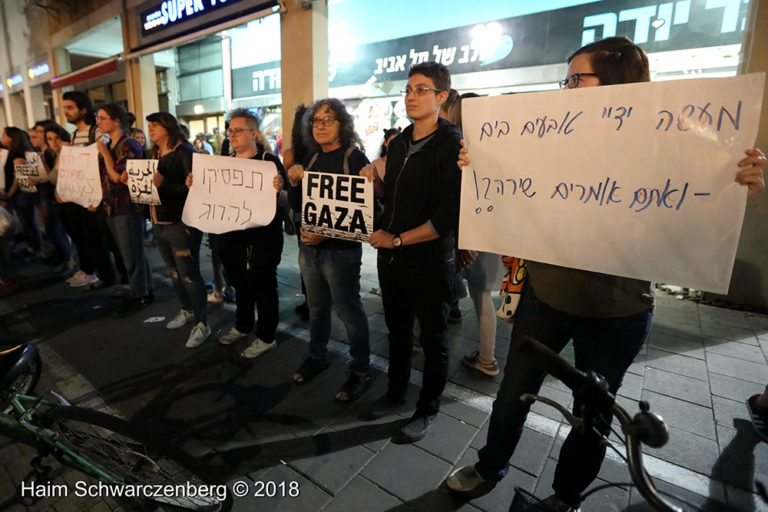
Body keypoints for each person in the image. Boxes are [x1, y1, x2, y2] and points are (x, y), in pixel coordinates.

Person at [445, 37, 767, 512]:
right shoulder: (546, 138)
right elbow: (511, 194)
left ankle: (567, 496)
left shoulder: (670, 145)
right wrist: (480, 166)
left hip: (618, 315)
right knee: (511, 396)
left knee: (592, 415)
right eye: (566, 79)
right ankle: (491, 464)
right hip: (543, 302)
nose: (567, 88)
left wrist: (736, 184)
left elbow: (692, 206)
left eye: (578, 79)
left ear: (619, 85)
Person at [360, 61, 463, 442]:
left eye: (421, 90)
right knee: (398, 330)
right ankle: (395, 392)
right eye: (407, 89)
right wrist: (376, 186)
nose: (411, 96)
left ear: (442, 97)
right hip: (392, 259)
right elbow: (396, 199)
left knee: (434, 338)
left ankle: (427, 409)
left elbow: (446, 218)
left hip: (430, 261)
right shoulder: (400, 141)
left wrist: (398, 240)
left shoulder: (451, 143)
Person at [286, 98, 372, 402]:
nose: (320, 125)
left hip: (340, 253)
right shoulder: (310, 160)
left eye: (328, 119)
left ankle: (361, 369)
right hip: (310, 252)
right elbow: (301, 208)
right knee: (317, 308)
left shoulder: (355, 158)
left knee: (348, 310)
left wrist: (322, 234)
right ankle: (317, 356)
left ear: (342, 125)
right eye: (316, 121)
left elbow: (363, 212)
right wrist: (293, 182)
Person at [188, 108, 285, 358]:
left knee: (264, 286)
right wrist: (196, 185)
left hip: (263, 240)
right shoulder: (223, 162)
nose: (232, 135)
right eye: (230, 130)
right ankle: (243, 325)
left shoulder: (268, 162)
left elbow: (286, 201)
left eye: (238, 130)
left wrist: (279, 190)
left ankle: (266, 336)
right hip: (230, 238)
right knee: (240, 284)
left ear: (254, 133)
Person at [439, 91, 504, 377]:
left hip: (475, 235)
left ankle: (487, 359)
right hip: (490, 231)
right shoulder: (494, 143)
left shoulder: (463, 146)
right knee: (481, 294)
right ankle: (486, 356)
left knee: (481, 296)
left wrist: (467, 241)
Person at [147, 112, 211, 348]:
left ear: (168, 127)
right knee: (173, 272)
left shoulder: (185, 153)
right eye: (149, 125)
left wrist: (164, 186)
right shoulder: (153, 153)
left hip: (181, 224)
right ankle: (186, 310)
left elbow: (194, 188)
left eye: (155, 125)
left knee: (189, 274)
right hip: (159, 222)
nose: (150, 129)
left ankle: (202, 322)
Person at [95, 103, 154, 315]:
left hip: (127, 207)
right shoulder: (111, 145)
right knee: (128, 252)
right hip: (111, 206)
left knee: (132, 254)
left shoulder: (129, 145)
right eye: (98, 118)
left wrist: (103, 153)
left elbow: (118, 177)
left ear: (116, 121)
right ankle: (145, 289)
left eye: (102, 118)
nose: (98, 122)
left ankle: (140, 295)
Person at [60, 90, 119, 290]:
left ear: (83, 109)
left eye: (70, 107)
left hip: (96, 196)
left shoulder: (96, 133)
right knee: (87, 237)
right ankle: (97, 273)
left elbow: (101, 162)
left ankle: (110, 276)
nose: (66, 111)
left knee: (102, 239)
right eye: (65, 107)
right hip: (80, 196)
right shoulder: (74, 135)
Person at [282, 104, 311, 319]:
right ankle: (312, 301)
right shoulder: (297, 153)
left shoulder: (302, 152)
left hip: (308, 213)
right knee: (308, 261)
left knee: (308, 261)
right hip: (305, 213)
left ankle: (312, 302)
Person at [0, 127, 43, 259]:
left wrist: (9, 194)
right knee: (26, 222)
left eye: (4, 135)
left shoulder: (18, 154)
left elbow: (18, 178)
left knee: (29, 222)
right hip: (20, 194)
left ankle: (37, 249)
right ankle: (32, 247)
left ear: (12, 138)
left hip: (23, 193)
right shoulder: (11, 152)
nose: (2, 138)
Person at [38, 123, 75, 272]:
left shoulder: (69, 153)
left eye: (57, 138)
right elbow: (52, 178)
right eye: (50, 139)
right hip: (59, 200)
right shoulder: (55, 155)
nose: (54, 142)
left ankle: (77, 265)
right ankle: (73, 263)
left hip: (71, 201)